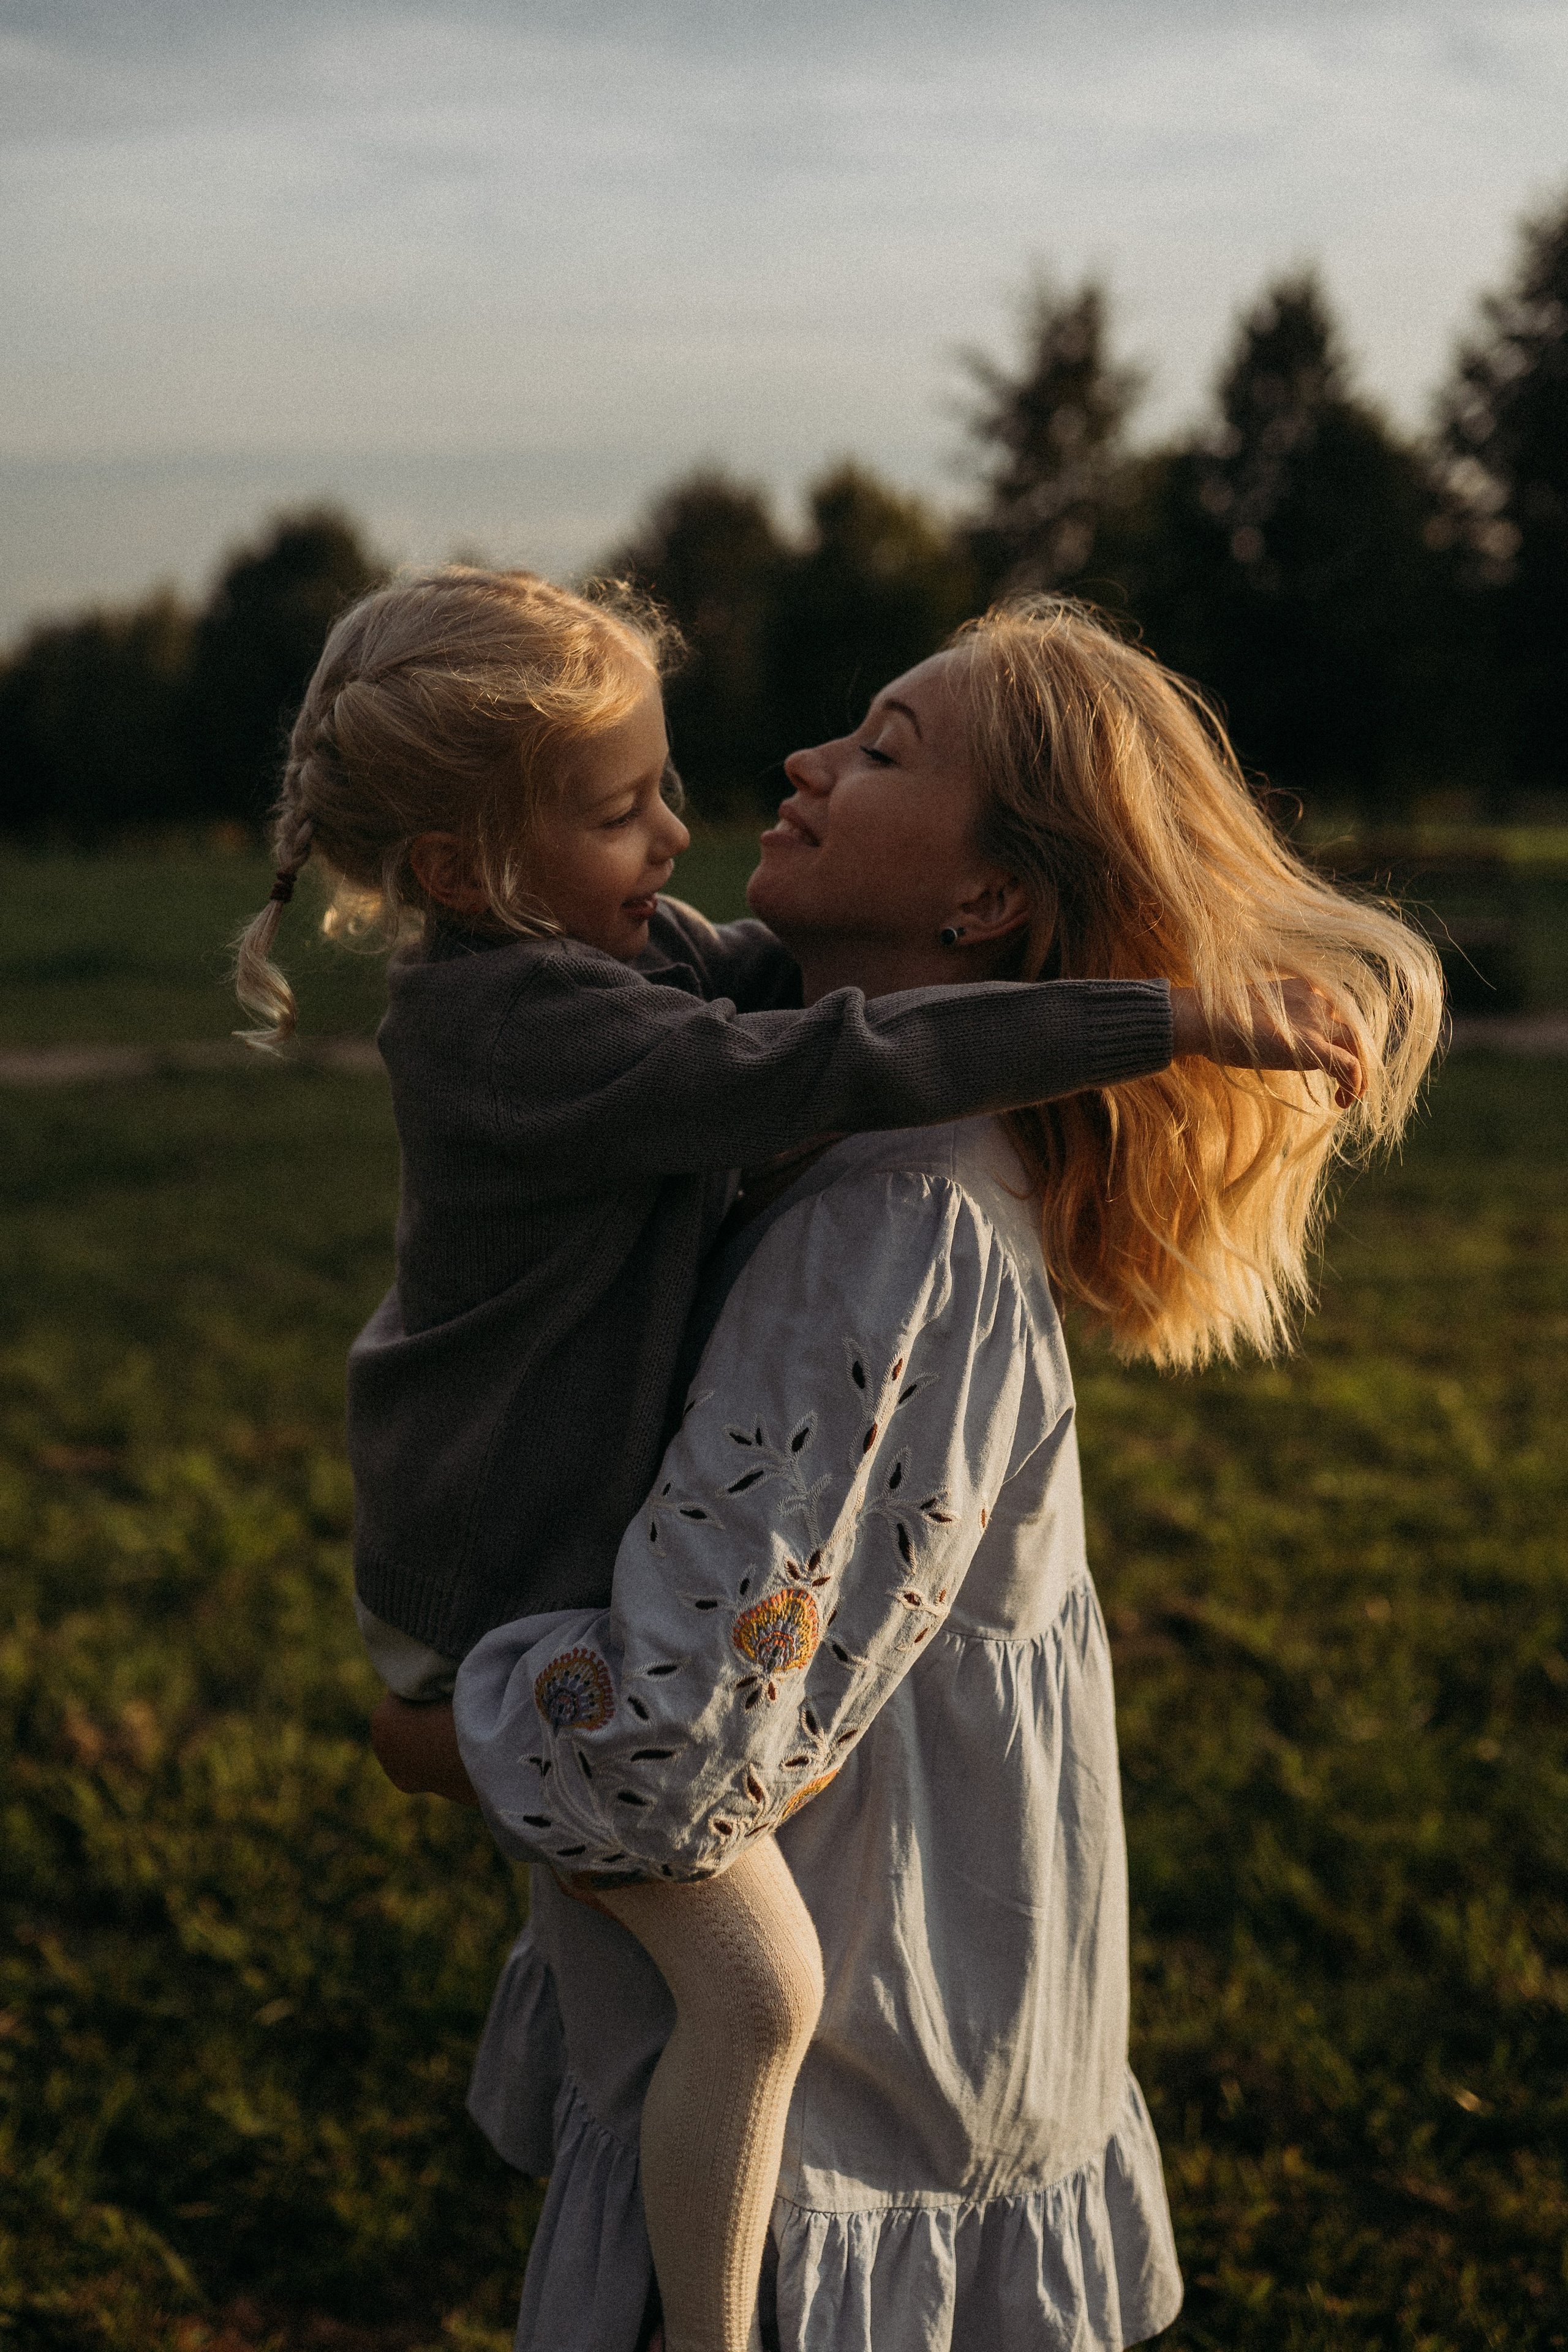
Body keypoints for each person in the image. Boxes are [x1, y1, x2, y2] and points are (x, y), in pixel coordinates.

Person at [232, 569, 1359, 2352]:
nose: (799, 759)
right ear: (472, 865)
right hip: (877, 1999)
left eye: (885, 745)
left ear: (987, 894)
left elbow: (676, 1754)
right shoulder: (581, 1025)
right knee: (743, 2003)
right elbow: (826, 1041)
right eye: (624, 803)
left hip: (866, 2097)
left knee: (752, 2002)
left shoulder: (886, 1234)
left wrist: (446, 1737)